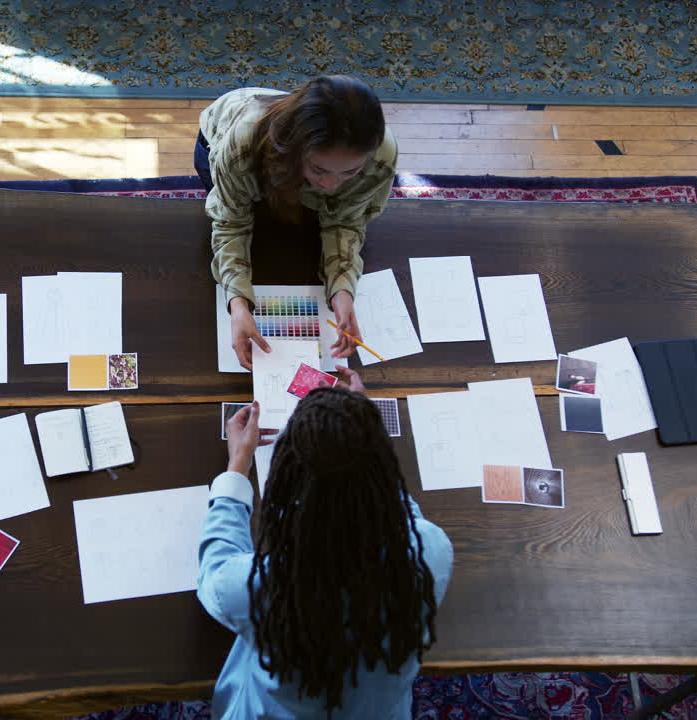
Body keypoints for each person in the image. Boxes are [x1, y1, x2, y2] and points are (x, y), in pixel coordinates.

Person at [198, 367, 453, 719]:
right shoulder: (430, 550)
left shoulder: (254, 587)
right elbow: (401, 512)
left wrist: (238, 465)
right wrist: (361, 434)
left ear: (287, 482)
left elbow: (214, 570)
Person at [197, 76, 398, 370]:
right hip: (224, 137)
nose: (330, 185)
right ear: (295, 150)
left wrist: (342, 290)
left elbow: (346, 221)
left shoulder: (381, 155)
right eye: (319, 169)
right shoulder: (242, 145)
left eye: (350, 172)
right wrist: (238, 304)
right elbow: (231, 222)